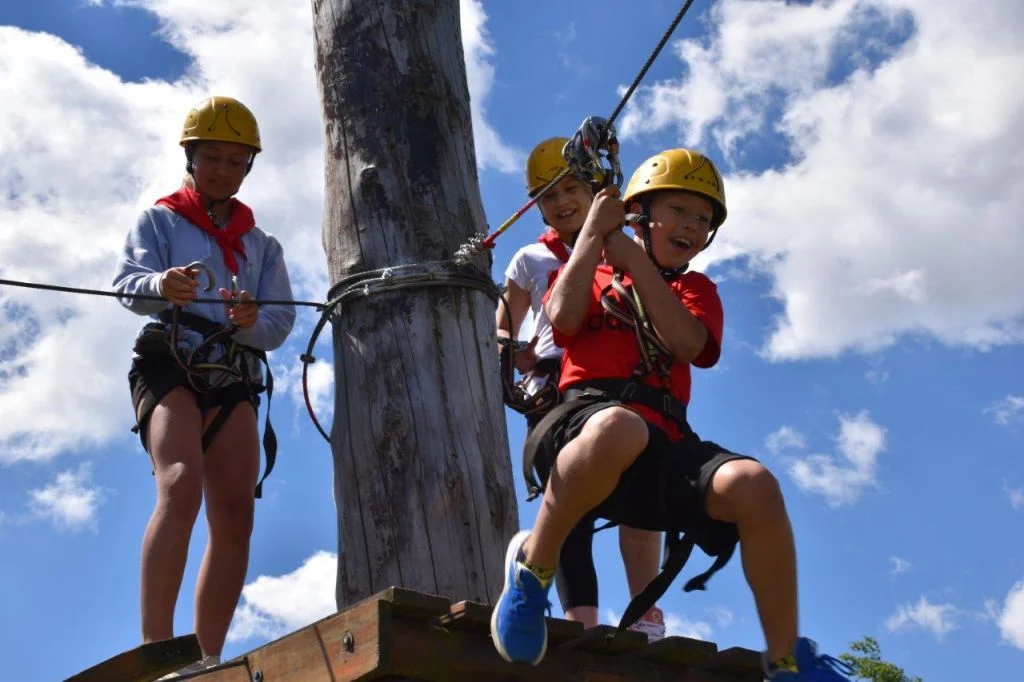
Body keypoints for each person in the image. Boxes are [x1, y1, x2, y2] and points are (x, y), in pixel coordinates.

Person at [490, 148, 854, 681]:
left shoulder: (695, 290)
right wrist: (594, 235)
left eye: (702, 219)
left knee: (754, 483)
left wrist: (635, 261)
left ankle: (786, 659)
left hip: (662, 443)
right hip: (582, 421)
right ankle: (531, 571)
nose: (691, 225)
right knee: (619, 426)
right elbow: (564, 321)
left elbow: (687, 343)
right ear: (641, 215)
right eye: (679, 211)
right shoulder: (590, 272)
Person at [112, 96, 296, 676]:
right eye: (211, 157)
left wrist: (249, 322)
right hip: (169, 360)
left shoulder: (261, 246)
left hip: (230, 368)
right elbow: (126, 286)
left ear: (247, 168)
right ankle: (158, 649)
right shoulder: (161, 220)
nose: (221, 169)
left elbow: (279, 324)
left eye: (235, 160)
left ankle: (208, 658)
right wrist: (162, 283)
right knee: (181, 482)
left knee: (237, 508)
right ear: (190, 158)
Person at [495, 137, 665, 640]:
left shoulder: (627, 246)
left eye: (572, 187)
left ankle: (645, 610)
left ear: (595, 191)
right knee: (567, 500)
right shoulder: (531, 259)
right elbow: (505, 321)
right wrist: (512, 351)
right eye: (548, 195)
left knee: (641, 493)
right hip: (553, 390)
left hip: (618, 380)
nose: (562, 201)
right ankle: (579, 622)